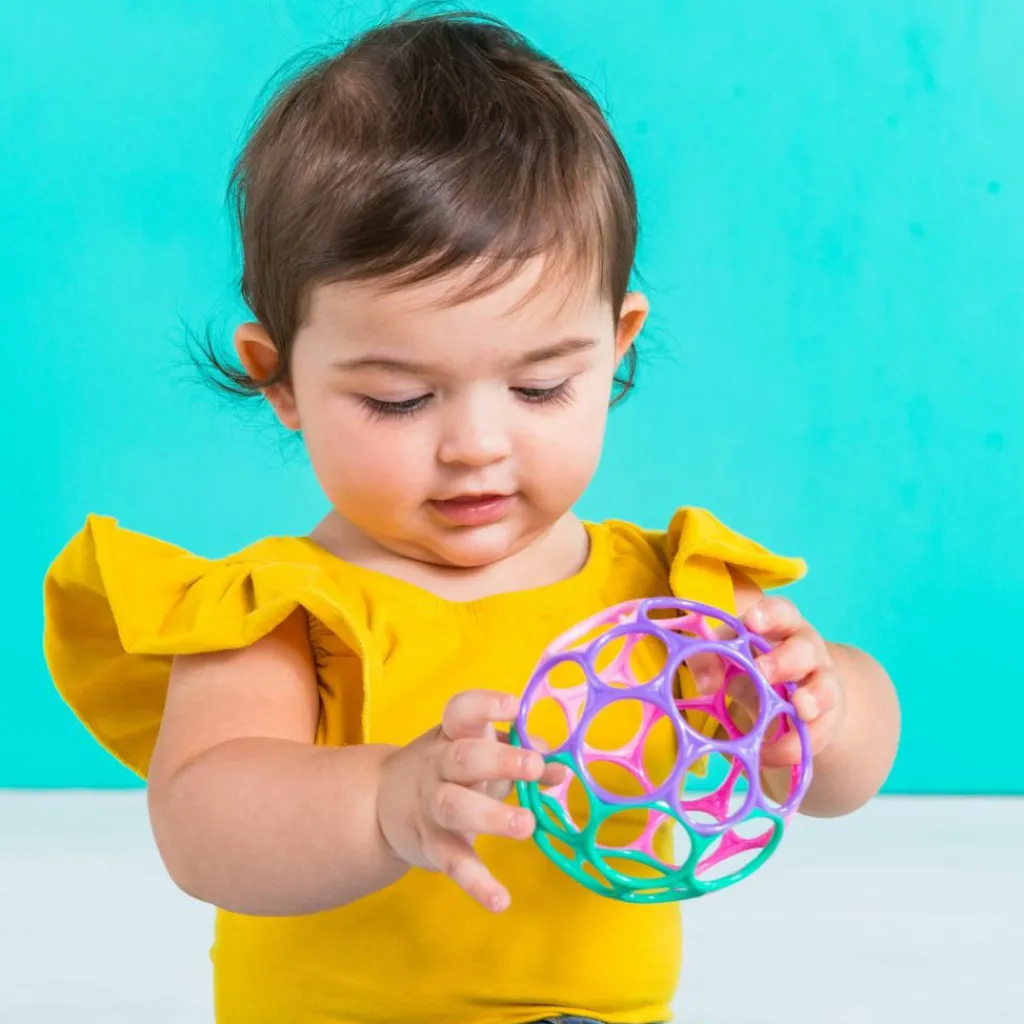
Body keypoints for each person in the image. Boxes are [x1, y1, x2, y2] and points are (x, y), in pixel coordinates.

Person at [42, 11, 900, 1024]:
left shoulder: (670, 596)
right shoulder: (279, 612)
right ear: (279, 379)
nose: (476, 446)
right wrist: (381, 801)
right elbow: (202, 824)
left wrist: (825, 705)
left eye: (540, 387)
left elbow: (843, 783)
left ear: (616, 345)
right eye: (400, 400)